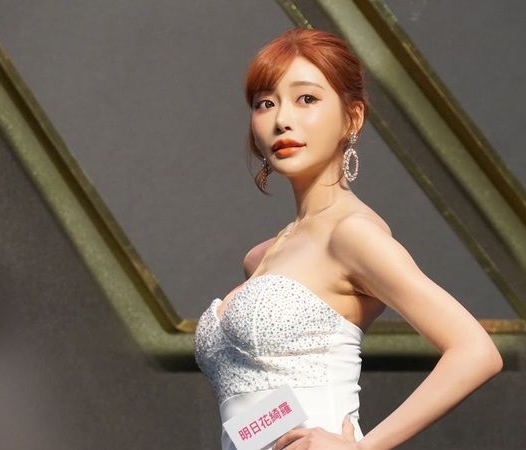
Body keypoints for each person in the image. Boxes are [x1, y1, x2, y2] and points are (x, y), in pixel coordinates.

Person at [195, 27, 503, 450]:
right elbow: (260, 407)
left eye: (307, 99)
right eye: (265, 103)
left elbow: (475, 351)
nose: (282, 119)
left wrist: (362, 449)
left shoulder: (351, 235)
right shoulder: (260, 257)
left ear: (352, 118)